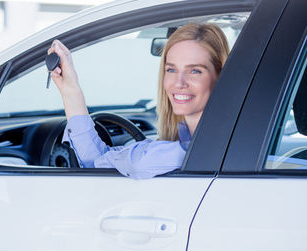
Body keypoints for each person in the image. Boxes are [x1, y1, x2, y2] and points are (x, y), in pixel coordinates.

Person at [48, 23, 230, 179]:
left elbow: (97, 163)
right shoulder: (195, 143)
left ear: (220, 76)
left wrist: (71, 89)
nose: (178, 83)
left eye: (195, 71)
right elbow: (98, 161)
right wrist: (69, 89)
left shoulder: (174, 155)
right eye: (171, 70)